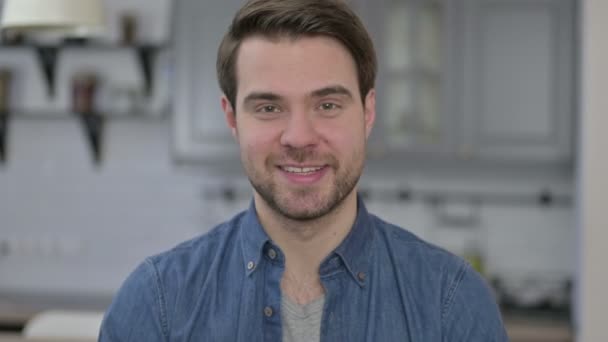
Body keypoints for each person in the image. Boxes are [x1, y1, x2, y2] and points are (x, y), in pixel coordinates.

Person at [99, 0, 508, 340]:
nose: (299, 137)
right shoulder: (157, 303)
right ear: (232, 119)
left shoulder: (451, 303)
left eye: (327, 105)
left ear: (367, 112)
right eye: (269, 108)